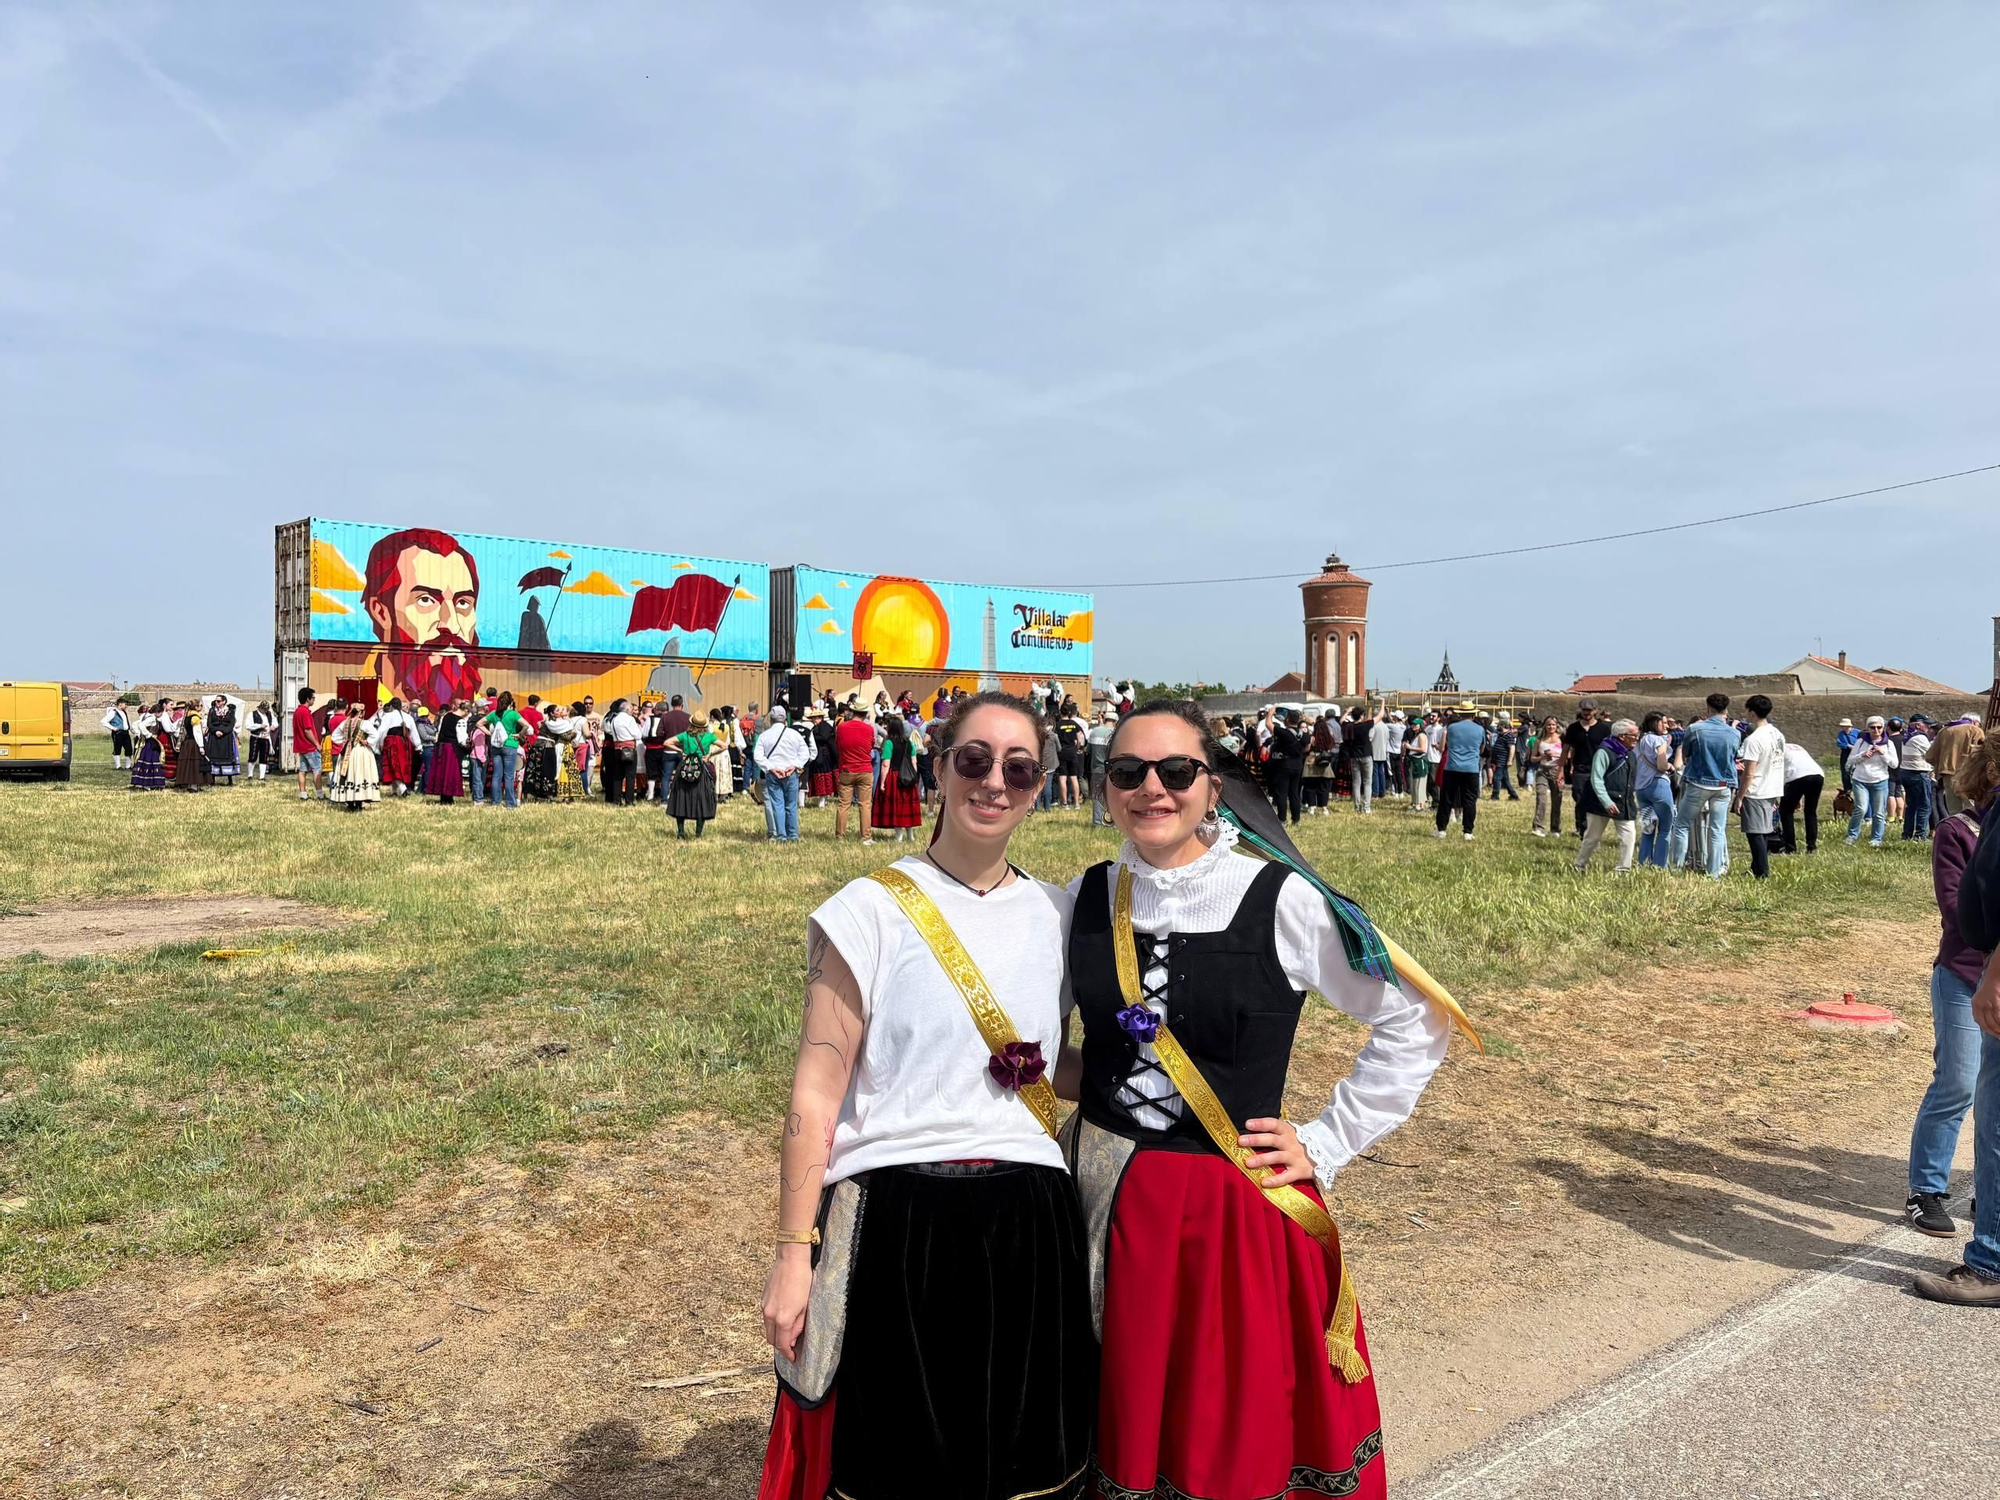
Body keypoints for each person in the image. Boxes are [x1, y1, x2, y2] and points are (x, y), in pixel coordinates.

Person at [1064, 700, 1450, 1500]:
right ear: (1106, 789)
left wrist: (1329, 1138)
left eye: (1177, 771)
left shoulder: (1282, 899)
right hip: (1100, 1202)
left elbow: (1416, 1018)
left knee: (1221, 1422)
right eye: (1128, 772)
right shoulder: (1083, 898)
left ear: (1215, 786)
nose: (1152, 789)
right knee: (1114, 1408)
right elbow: (1047, 1048)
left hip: (1229, 1214)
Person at [757, 692, 1092, 1500]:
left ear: (1039, 785)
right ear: (939, 767)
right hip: (897, 1222)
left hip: (1030, 1224)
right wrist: (793, 1255)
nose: (994, 783)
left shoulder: (1061, 915)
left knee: (1024, 1471)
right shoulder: (868, 909)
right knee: (897, 1469)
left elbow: (1058, 1068)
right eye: (974, 760)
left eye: (1019, 768)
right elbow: (816, 1091)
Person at [1911, 736, 2000, 1305]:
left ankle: (1989, 1219)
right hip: (1964, 975)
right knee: (1958, 1084)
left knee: (1992, 1106)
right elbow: (1956, 906)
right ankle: (1927, 1187)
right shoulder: (1958, 831)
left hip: (1991, 975)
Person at [1668, 693, 1740, 877]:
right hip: (1723, 784)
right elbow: (1733, 755)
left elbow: (1686, 753)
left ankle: (1677, 867)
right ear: (1726, 709)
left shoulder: (1695, 729)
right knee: (1717, 829)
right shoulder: (1734, 732)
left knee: (1682, 825)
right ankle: (1714, 872)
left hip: (1698, 782)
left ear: (1708, 708)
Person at [1732, 695, 1787, 880]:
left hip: (1756, 789)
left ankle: (1762, 871)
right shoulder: (1777, 734)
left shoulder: (1753, 739)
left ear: (1752, 713)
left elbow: (1749, 773)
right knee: (1762, 830)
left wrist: (1740, 796)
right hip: (1772, 787)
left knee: (1754, 833)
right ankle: (1756, 867)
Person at [1576, 719, 1641, 874]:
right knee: (1592, 837)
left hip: (1624, 803)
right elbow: (1596, 779)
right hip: (1600, 803)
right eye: (1634, 735)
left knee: (1629, 836)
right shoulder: (1603, 752)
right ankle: (1580, 865)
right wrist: (1606, 801)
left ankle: (1623, 869)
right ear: (1622, 736)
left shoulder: (1631, 755)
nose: (1637, 738)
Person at [755, 706, 811, 842]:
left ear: (771, 719)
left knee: (777, 805)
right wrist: (795, 765)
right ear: (785, 718)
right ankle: (793, 834)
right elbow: (805, 753)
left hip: (773, 773)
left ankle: (781, 835)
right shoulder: (794, 734)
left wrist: (771, 767)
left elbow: (758, 756)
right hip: (790, 773)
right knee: (791, 805)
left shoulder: (764, 736)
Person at [1844, 715, 1898, 847]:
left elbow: (1894, 764)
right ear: (1867, 728)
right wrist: (1862, 755)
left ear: (1883, 728)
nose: (1876, 730)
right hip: (1860, 779)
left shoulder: (1888, 743)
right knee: (1860, 809)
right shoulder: (1861, 742)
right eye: (1872, 727)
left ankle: (1876, 838)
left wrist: (1883, 753)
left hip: (1880, 780)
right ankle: (1852, 835)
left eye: (1879, 727)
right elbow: (1850, 760)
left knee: (1878, 812)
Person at [1561, 699, 1609, 842]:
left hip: (1599, 770)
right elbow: (1566, 750)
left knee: (1597, 801)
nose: (1586, 713)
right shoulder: (1573, 728)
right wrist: (1560, 770)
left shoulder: (1604, 729)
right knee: (1580, 800)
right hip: (1580, 770)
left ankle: (1595, 833)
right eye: (1584, 710)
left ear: (1596, 711)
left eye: (1589, 710)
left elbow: (1609, 750)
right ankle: (1583, 831)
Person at [1434, 705, 1485, 840]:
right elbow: (1482, 748)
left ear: (1460, 715)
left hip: (1452, 767)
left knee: (1446, 799)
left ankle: (1441, 829)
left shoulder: (1452, 728)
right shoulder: (1480, 729)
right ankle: (1468, 831)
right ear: (1473, 715)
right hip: (1471, 768)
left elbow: (1447, 744)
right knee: (1470, 800)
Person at [1631, 712, 1675, 867]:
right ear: (1655, 723)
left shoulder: (1639, 741)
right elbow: (1662, 765)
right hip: (1658, 785)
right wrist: (1670, 766)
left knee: (1648, 827)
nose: (1667, 725)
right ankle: (1660, 865)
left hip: (1641, 788)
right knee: (1665, 828)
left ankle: (1644, 861)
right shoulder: (1658, 740)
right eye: (1664, 722)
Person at [871, 715, 924, 842]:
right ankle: (910, 835)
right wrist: (913, 778)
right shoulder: (909, 743)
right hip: (908, 778)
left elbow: (886, 764)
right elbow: (914, 762)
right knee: (907, 807)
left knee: (896, 806)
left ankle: (899, 836)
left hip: (894, 777)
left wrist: (882, 782)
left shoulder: (889, 743)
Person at [669, 712, 719, 838]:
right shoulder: (709, 736)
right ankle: (698, 834)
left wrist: (681, 751)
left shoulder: (685, 735)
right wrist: (710, 755)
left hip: (685, 768)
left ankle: (681, 833)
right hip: (701, 768)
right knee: (701, 800)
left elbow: (667, 742)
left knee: (681, 799)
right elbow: (724, 746)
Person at [327, 700, 381, 811]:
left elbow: (334, 736)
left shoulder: (345, 723)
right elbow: (375, 734)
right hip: (359, 751)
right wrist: (367, 742)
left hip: (347, 750)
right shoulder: (364, 723)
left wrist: (345, 741)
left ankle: (350, 802)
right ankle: (359, 802)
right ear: (361, 713)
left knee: (349, 774)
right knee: (359, 774)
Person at [1776, 736, 1825, 856]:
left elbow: (1776, 772)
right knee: (1810, 811)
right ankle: (1812, 847)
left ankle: (1790, 847)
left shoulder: (1776, 749)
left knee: (1785, 811)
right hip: (1817, 774)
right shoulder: (1796, 746)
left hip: (1797, 776)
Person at [1932, 715, 1987, 818]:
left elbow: (1930, 756)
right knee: (1973, 808)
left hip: (1947, 774)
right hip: (1968, 774)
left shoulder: (1944, 731)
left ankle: (1957, 828)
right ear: (1975, 722)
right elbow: (1981, 754)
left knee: (1954, 811)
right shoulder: (1975, 730)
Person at [482, 691, 526, 810]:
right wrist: (520, 734)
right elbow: (526, 725)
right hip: (510, 744)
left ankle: (496, 801)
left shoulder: (493, 714)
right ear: (510, 702)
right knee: (509, 776)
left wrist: (490, 733)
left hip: (496, 746)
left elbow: (479, 724)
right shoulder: (513, 714)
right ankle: (510, 803)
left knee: (496, 775)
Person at [423, 699, 468, 804]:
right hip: (452, 748)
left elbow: (439, 730)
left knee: (442, 771)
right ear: (466, 710)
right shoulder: (461, 721)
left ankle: (443, 796)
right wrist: (467, 745)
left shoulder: (446, 716)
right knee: (450, 771)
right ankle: (448, 796)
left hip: (441, 746)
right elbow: (461, 739)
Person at [1265, 708, 1305, 826]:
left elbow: (1269, 725)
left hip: (1284, 765)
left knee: (1281, 793)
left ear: (1287, 720)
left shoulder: (1284, 732)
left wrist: (1270, 714)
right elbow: (1307, 747)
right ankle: (1296, 819)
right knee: (1294, 792)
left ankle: (1282, 819)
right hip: (1297, 765)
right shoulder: (1303, 734)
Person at [1901, 716, 1936, 842]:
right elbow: (1931, 754)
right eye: (1926, 725)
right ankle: (1920, 835)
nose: (1929, 728)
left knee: (1911, 806)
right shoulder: (1920, 738)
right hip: (1918, 773)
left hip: (1905, 772)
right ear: (1918, 725)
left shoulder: (1907, 736)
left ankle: (1907, 834)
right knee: (1924, 805)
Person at [1087, 706, 1118, 827]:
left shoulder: (1094, 731)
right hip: (1112, 769)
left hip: (1096, 769)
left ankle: (1097, 822)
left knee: (1097, 796)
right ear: (1115, 721)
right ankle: (1114, 823)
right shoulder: (1115, 734)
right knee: (1114, 797)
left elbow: (1088, 750)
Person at [1054, 701, 1088, 809]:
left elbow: (1055, 738)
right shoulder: (1073, 723)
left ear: (1060, 712)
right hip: (1072, 752)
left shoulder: (1058, 725)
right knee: (1074, 777)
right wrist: (1077, 746)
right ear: (1069, 712)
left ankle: (1065, 803)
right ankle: (1076, 803)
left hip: (1062, 752)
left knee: (1062, 778)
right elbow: (1080, 736)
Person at [1304, 712, 1338, 816]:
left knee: (1311, 786)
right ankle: (1324, 807)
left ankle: (1311, 807)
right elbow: (1331, 747)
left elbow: (1307, 749)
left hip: (1312, 762)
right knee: (1324, 786)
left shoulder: (1312, 738)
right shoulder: (1329, 737)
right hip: (1324, 762)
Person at [171, 707, 213, 793]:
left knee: (189, 764)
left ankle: (190, 785)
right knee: (195, 764)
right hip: (194, 743)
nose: (201, 707)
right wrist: (201, 746)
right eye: (200, 705)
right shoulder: (195, 718)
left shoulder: (186, 717)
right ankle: (194, 785)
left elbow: (178, 730)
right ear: (196, 707)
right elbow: (197, 733)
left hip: (187, 743)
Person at [1344, 707, 1375, 814]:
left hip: (1354, 756)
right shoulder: (1366, 725)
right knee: (1367, 782)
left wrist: (1347, 712)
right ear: (1362, 716)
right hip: (1366, 755)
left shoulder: (1349, 726)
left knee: (1356, 783)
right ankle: (1367, 807)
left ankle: (1357, 807)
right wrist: (1382, 703)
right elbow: (1380, 716)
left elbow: (1341, 721)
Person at [1488, 713, 1519, 801]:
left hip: (1502, 761)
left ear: (1503, 725)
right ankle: (1513, 795)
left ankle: (1495, 796)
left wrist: (1510, 760)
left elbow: (1512, 748)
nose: (1497, 727)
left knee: (1497, 778)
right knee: (1505, 780)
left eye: (1499, 725)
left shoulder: (1509, 736)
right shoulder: (1500, 735)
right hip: (1497, 760)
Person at [103, 701, 135, 770]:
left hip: (125, 733)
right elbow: (103, 721)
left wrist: (130, 729)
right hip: (118, 733)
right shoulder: (113, 712)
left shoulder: (124, 712)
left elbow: (126, 723)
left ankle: (128, 766)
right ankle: (118, 766)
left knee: (129, 749)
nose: (126, 706)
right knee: (117, 749)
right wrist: (113, 728)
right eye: (125, 704)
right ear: (120, 704)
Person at [1835, 717, 1859, 793]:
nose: (1843, 727)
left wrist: (1856, 747)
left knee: (1857, 769)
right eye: (1842, 726)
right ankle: (1847, 788)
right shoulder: (1841, 734)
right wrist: (1848, 746)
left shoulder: (1857, 732)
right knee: (1845, 770)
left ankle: (1857, 786)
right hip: (1846, 752)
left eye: (1845, 726)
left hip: (1856, 752)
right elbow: (1839, 743)